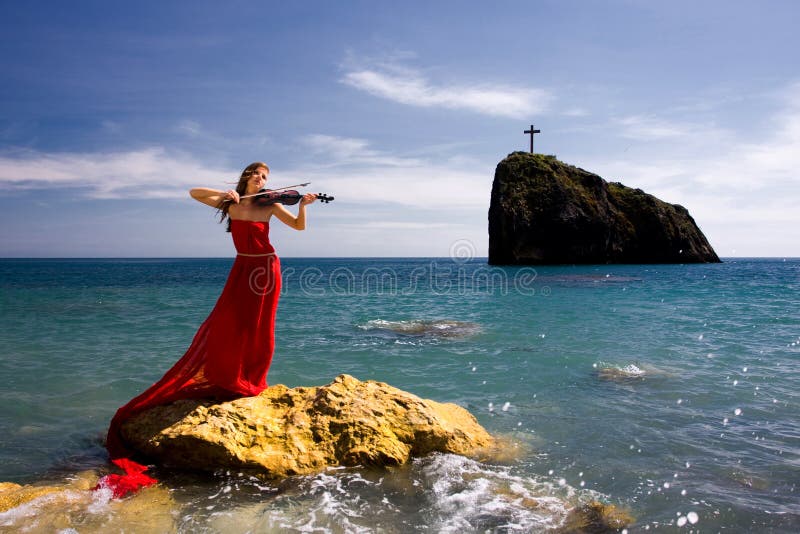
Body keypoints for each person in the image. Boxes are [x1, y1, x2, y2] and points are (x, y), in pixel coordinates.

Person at [97, 162, 316, 498]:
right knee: (228, 324)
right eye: (258, 175)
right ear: (247, 178)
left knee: (259, 326)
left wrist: (302, 205)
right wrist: (225, 194)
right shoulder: (231, 203)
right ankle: (227, 375)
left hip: (266, 267)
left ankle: (252, 380)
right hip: (241, 266)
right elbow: (193, 192)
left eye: (266, 178)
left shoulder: (271, 204)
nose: (263, 181)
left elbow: (299, 228)